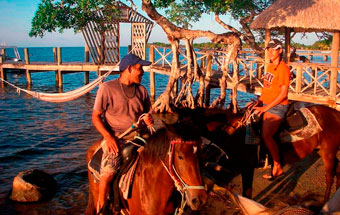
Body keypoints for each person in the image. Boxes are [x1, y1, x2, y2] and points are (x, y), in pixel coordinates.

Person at [92, 54, 154, 213]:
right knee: (107, 175)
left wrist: (149, 120)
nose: (143, 72)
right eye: (140, 69)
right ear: (129, 69)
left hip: (140, 137)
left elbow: (148, 113)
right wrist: (107, 136)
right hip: (117, 139)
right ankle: (102, 209)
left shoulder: (142, 90)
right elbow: (96, 116)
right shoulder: (107, 88)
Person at [252, 39, 290, 180]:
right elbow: (266, 88)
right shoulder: (269, 67)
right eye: (268, 49)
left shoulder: (283, 69)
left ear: (280, 51)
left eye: (274, 49)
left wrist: (265, 108)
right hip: (266, 102)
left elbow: (283, 94)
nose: (270, 52)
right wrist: (258, 101)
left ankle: (278, 166)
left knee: (267, 135)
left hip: (278, 106)